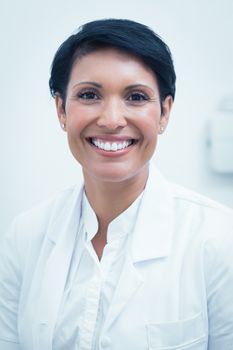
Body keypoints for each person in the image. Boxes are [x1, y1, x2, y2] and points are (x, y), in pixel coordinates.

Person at [0, 18, 233, 350]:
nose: (111, 119)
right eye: (90, 94)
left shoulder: (220, 239)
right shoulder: (25, 236)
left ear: (164, 113)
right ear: (61, 109)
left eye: (136, 97)